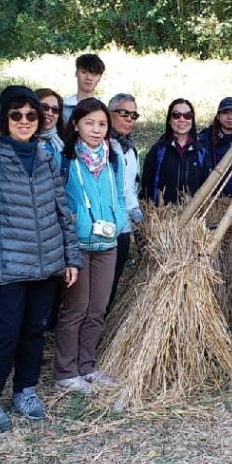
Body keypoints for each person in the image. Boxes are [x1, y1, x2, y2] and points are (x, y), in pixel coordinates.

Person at [0, 86, 82, 432]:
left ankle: (25, 389)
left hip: (47, 266)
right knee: (6, 332)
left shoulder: (44, 157)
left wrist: (70, 257)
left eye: (31, 115)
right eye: (16, 115)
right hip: (10, 267)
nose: (25, 121)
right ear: (5, 120)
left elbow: (61, 211)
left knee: (34, 330)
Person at [55, 98, 129, 395]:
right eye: (89, 123)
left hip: (107, 242)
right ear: (76, 125)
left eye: (101, 124)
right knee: (75, 308)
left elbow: (123, 193)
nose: (96, 130)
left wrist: (119, 218)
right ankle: (66, 371)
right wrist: (72, 223)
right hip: (77, 244)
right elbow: (58, 199)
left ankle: (87, 366)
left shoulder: (113, 157)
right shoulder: (65, 158)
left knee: (97, 309)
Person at [107, 92, 144, 312]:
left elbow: (130, 188)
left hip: (124, 226)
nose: (129, 119)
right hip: (103, 227)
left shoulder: (130, 149)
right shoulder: (102, 145)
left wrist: (135, 212)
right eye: (124, 113)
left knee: (113, 279)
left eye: (133, 115)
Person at [140, 99, 209, 205]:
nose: (182, 119)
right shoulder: (158, 151)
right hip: (161, 217)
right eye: (176, 115)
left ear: (192, 120)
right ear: (169, 120)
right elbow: (146, 186)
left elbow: (207, 187)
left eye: (187, 115)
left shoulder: (201, 152)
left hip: (193, 216)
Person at [198, 97, 232, 196]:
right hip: (211, 198)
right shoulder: (204, 139)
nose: (230, 117)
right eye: (225, 112)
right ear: (218, 116)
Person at [63, 53, 104, 122]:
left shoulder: (103, 109)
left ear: (100, 78)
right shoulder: (64, 107)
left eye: (94, 74)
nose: (88, 77)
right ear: (76, 73)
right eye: (84, 72)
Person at [35, 88, 66, 167]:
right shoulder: (22, 140)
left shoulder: (64, 141)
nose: (50, 113)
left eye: (55, 110)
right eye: (44, 107)